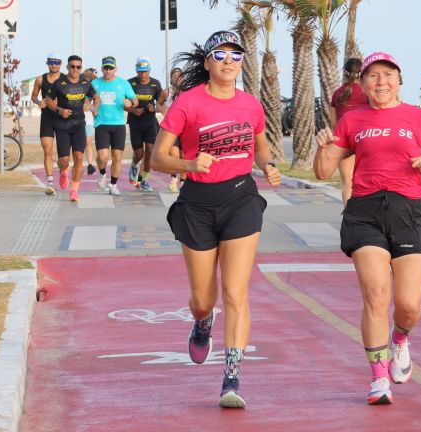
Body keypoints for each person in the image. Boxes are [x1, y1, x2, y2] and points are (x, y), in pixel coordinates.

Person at [313, 51, 421, 405]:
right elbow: (322, 171)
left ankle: (401, 339)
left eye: (388, 75)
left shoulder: (417, 118)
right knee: (376, 296)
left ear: (399, 81)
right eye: (373, 76)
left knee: (409, 304)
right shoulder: (352, 119)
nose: (381, 82)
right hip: (365, 211)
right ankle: (378, 377)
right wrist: (324, 148)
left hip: (410, 212)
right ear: (362, 84)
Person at [150, 30, 281, 409]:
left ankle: (232, 378)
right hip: (197, 205)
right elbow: (157, 159)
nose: (228, 61)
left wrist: (269, 166)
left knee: (236, 293)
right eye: (220, 55)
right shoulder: (187, 104)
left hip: (241, 200)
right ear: (207, 62)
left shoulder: (251, 105)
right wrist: (188, 163)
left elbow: (260, 148)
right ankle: (203, 322)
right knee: (204, 300)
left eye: (235, 55)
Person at [46, 55, 100, 202]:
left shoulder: (85, 83)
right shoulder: (59, 83)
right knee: (64, 160)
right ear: (68, 67)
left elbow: (96, 97)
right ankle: (63, 171)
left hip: (78, 125)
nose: (75, 69)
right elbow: (48, 99)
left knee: (78, 158)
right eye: (72, 66)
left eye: (78, 67)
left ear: (81, 68)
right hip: (62, 126)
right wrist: (59, 110)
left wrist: (95, 109)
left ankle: (74, 191)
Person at [91, 56, 138, 196]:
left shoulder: (123, 84)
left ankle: (113, 184)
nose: (108, 70)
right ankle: (102, 173)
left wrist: (131, 103)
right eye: (105, 68)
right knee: (103, 157)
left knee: (117, 157)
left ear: (115, 69)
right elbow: (86, 100)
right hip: (101, 124)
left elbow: (134, 100)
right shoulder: (94, 83)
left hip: (118, 125)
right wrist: (89, 107)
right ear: (101, 69)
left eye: (111, 68)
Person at [330, 58, 369, 205]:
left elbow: (335, 125)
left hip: (345, 143)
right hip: (366, 140)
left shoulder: (337, 94)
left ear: (344, 73)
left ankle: (349, 217)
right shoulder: (367, 94)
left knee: (348, 183)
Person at [126, 56, 163, 192]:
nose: (142, 74)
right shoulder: (129, 83)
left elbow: (160, 103)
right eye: (140, 71)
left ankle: (145, 180)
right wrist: (133, 110)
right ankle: (134, 165)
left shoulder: (155, 84)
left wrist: (155, 108)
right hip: (135, 122)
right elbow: (123, 103)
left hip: (150, 122)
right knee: (139, 154)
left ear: (149, 71)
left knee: (150, 150)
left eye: (145, 71)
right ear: (136, 71)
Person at [30, 52, 62, 195]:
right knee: (47, 152)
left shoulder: (65, 79)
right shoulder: (40, 79)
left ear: (61, 64)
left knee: (64, 157)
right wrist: (39, 102)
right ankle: (50, 183)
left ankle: (63, 170)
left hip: (63, 120)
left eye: (56, 62)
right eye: (51, 62)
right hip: (47, 119)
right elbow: (33, 96)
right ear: (47, 63)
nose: (54, 65)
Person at [157, 67, 185, 192]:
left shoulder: (187, 92)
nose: (177, 78)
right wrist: (163, 110)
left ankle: (183, 182)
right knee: (174, 155)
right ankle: (173, 178)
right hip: (171, 128)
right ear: (171, 78)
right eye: (174, 76)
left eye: (179, 76)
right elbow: (158, 105)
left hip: (185, 128)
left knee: (183, 156)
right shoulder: (166, 92)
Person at [82, 68, 98, 175]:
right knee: (75, 143)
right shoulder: (76, 86)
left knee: (88, 142)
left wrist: (92, 108)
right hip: (75, 118)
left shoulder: (91, 87)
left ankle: (90, 164)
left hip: (88, 119)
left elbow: (96, 99)